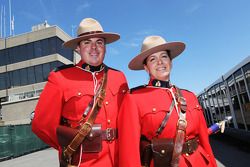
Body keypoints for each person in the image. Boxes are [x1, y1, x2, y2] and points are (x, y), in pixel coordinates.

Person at [32, 18, 128, 167]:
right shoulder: (61, 77)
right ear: (78, 48)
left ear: (105, 47)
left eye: (99, 42)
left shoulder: (119, 77)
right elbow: (41, 124)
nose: (94, 47)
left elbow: (127, 123)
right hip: (83, 162)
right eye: (87, 42)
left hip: (117, 160)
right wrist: (70, 146)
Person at [118, 35, 217, 167]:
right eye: (153, 59)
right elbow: (129, 153)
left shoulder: (190, 97)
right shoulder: (134, 99)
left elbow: (204, 141)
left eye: (164, 56)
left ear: (171, 62)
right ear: (146, 68)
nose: (160, 62)